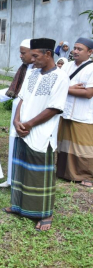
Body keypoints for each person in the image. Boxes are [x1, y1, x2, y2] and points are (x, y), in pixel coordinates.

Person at [2, 38, 69, 232]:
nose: (32, 59)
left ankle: (46, 213)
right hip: (23, 128)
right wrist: (17, 121)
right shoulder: (32, 73)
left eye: (36, 56)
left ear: (48, 54)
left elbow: (55, 108)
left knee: (40, 175)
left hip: (42, 132)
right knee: (21, 170)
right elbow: (22, 99)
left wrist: (30, 124)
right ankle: (19, 206)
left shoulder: (60, 77)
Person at [0, 39, 34, 188]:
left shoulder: (39, 71)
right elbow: (17, 90)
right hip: (17, 111)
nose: (20, 56)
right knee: (13, 143)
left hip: (30, 114)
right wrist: (0, 93)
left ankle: (23, 181)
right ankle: (11, 180)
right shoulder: (24, 68)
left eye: (23, 53)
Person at [56, 37, 93, 188]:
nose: (75, 51)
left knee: (83, 146)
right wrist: (71, 88)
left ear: (90, 52)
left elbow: (88, 93)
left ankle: (87, 176)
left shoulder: (91, 68)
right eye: (75, 48)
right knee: (64, 144)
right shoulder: (67, 66)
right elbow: (56, 85)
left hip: (83, 113)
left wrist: (65, 88)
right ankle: (65, 173)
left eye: (80, 49)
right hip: (65, 111)